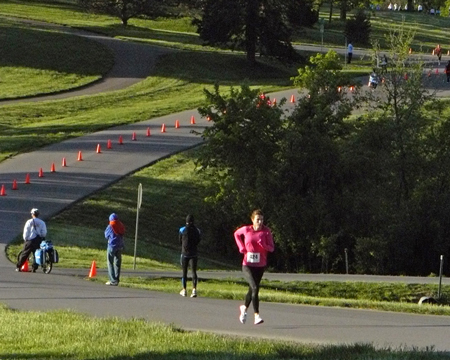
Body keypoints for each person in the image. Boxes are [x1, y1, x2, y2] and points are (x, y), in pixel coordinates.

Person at [234, 209, 275, 325]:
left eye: (262, 219)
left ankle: (244, 309)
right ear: (252, 220)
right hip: (247, 264)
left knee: (252, 289)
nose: (260, 222)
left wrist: (264, 245)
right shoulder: (247, 229)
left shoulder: (266, 232)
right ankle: (256, 315)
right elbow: (236, 234)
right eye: (258, 219)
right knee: (255, 287)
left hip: (260, 265)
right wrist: (241, 247)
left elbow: (272, 248)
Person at [179, 214, 201, 298]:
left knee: (184, 272)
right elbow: (199, 240)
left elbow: (180, 241)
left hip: (185, 253)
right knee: (194, 272)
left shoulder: (182, 230)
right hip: (194, 253)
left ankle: (184, 290)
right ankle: (194, 289)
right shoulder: (197, 230)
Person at [104, 213, 125, 286]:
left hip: (112, 246)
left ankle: (112, 280)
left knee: (110, 262)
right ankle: (117, 279)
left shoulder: (110, 226)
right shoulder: (121, 225)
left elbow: (106, 235)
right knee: (117, 263)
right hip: (119, 246)